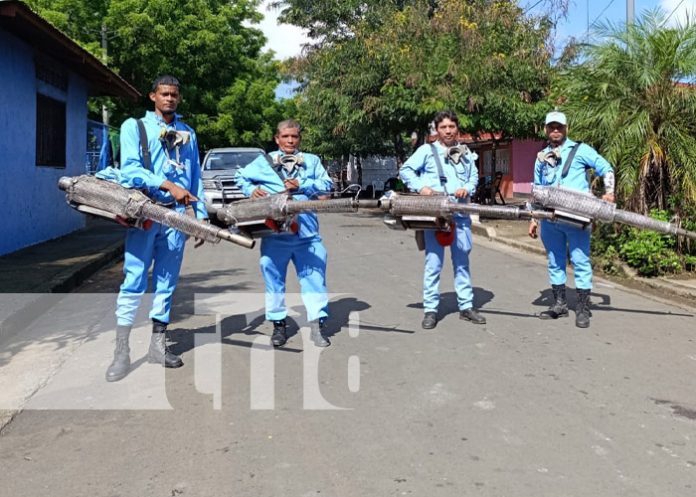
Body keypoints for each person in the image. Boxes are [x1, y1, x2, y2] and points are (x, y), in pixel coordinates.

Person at [105, 75, 208, 382]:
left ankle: (157, 346)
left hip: (176, 217)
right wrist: (166, 184)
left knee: (166, 281)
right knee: (134, 278)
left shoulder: (187, 132)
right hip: (146, 213)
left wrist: (198, 218)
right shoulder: (134, 127)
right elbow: (131, 170)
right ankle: (121, 352)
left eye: (174, 95)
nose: (169, 99)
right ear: (153, 96)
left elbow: (195, 180)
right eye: (164, 94)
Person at [235, 119, 333, 347]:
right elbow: (241, 177)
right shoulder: (263, 161)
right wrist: (252, 190)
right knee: (273, 280)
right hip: (275, 235)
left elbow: (327, 185)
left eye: (295, 137)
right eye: (285, 137)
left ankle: (317, 326)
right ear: (277, 139)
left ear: (300, 139)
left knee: (315, 280)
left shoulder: (312, 161)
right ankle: (279, 325)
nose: (290, 141)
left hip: (307, 235)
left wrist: (303, 184)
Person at [399, 110, 486, 330]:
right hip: (436, 216)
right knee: (433, 264)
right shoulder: (426, 150)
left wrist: (467, 188)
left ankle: (466, 306)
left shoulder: (465, 153)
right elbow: (406, 170)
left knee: (462, 263)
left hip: (461, 215)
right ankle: (431, 310)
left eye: (451, 127)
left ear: (457, 128)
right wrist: (422, 187)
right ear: (437, 130)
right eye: (443, 127)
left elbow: (474, 176)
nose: (448, 131)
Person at [528, 111, 615, 328]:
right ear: (546, 130)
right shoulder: (541, 156)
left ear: (566, 128)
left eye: (559, 127)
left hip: (577, 218)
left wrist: (609, 191)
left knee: (580, 261)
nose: (555, 130)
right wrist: (534, 219)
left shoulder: (580, 150)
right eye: (551, 127)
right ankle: (560, 304)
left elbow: (607, 168)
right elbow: (536, 190)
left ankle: (583, 309)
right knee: (555, 261)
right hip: (550, 218)